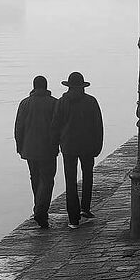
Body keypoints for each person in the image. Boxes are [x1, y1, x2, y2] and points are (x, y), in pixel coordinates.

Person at [54, 71, 103, 229]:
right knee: (88, 176)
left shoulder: (61, 102)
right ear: (83, 86)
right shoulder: (91, 102)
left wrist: (57, 143)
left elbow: (55, 126)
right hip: (88, 145)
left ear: (68, 86)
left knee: (70, 181)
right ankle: (85, 208)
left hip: (68, 146)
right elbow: (98, 126)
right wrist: (98, 146)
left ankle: (73, 219)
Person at [14, 75, 59, 229]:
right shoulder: (54, 103)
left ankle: (39, 209)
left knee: (35, 179)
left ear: (33, 87)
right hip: (48, 149)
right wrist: (57, 144)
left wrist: (20, 146)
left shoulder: (24, 103)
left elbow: (19, 127)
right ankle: (40, 211)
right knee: (47, 180)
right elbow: (57, 127)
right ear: (46, 87)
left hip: (29, 149)